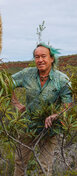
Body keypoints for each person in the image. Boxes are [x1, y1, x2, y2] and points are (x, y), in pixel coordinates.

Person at [11, 43, 72, 176]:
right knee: (20, 162)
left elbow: (68, 104)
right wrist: (16, 103)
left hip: (50, 129)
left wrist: (56, 115)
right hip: (28, 125)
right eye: (36, 57)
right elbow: (6, 83)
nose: (40, 60)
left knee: (44, 167)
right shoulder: (27, 74)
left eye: (43, 56)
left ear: (51, 58)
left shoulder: (62, 80)